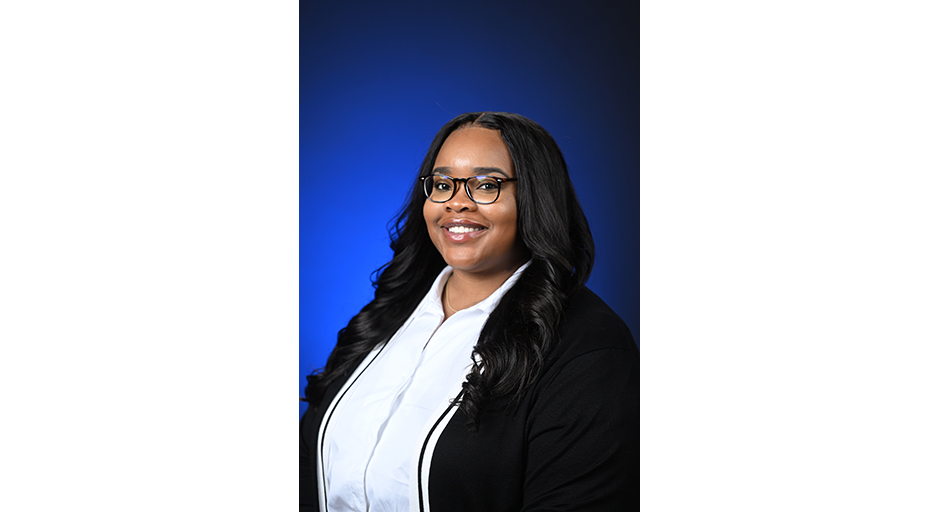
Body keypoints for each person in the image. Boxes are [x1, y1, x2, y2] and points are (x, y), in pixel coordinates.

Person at [300, 112, 639, 511]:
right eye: (442, 184)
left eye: (486, 185)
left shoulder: (589, 351)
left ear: (534, 197)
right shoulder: (388, 316)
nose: (457, 202)